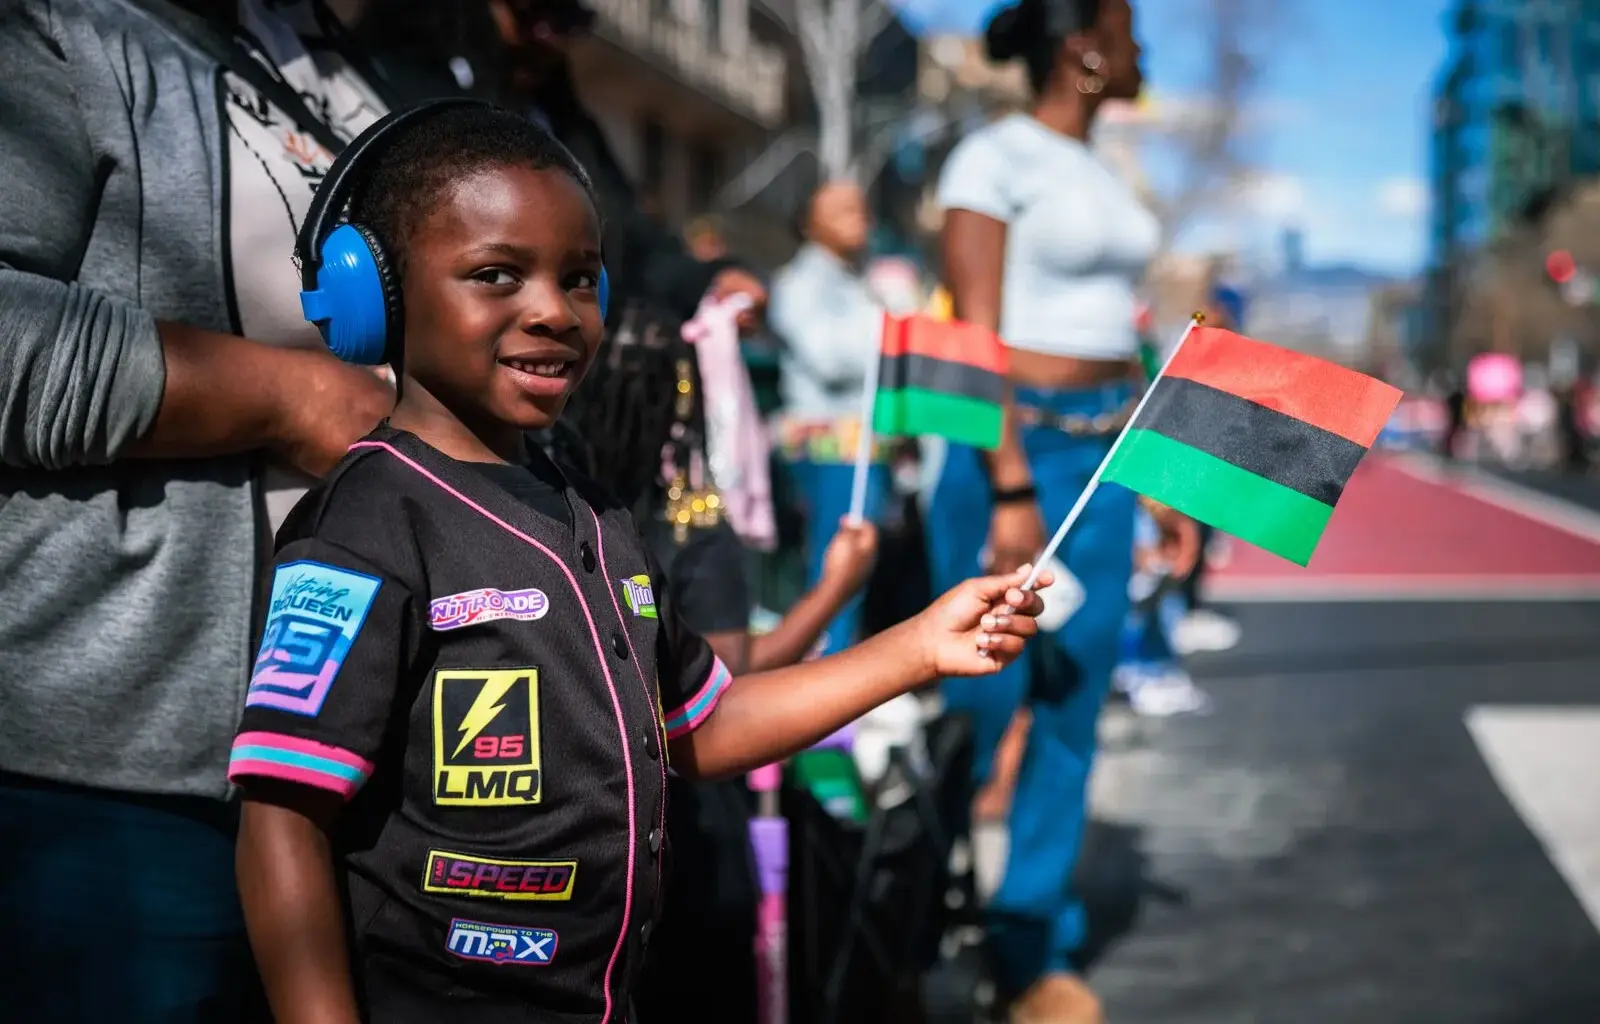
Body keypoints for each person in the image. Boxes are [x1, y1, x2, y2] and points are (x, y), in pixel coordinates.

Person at [227, 100, 1048, 1024]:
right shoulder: (367, 524)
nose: (553, 311)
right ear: (373, 296)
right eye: (496, 275)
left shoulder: (593, 508)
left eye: (580, 279)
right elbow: (282, 820)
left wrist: (917, 648)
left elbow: (701, 725)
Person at [0, 1, 400, 1017]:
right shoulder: (57, 28)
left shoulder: (317, 51)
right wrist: (289, 397)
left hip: (356, 773)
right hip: (122, 787)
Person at [922, 0, 1152, 1019]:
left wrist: (1159, 474)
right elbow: (974, 335)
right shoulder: (993, 157)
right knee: (974, 698)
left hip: (1110, 452)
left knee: (1073, 699)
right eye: (1131, 28)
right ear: (1084, 48)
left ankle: (1026, 946)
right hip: (1017, 449)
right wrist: (1009, 481)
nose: (1144, 49)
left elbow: (1121, 328)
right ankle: (914, 915)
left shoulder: (1103, 169)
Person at [769, 179, 894, 656]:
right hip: (828, 450)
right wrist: (888, 333)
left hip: (860, 446)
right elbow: (829, 356)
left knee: (853, 569)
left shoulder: (856, 279)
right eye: (841, 207)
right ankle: (823, 680)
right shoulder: (799, 282)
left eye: (861, 205)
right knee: (833, 569)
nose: (858, 215)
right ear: (808, 221)